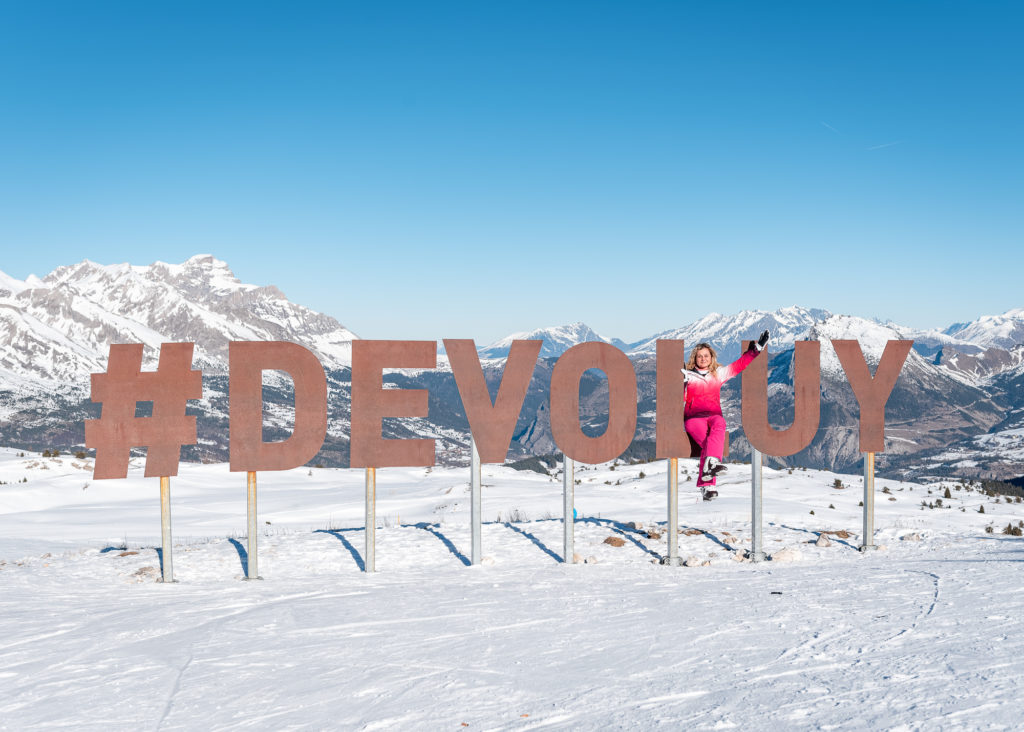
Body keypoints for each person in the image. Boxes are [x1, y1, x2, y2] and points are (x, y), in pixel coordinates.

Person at [682, 330, 770, 500]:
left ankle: (707, 485)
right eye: (699, 356)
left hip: (713, 415)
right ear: (694, 358)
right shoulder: (687, 376)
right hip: (694, 418)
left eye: (706, 356)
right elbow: (681, 396)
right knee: (709, 445)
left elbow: (739, 365)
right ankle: (708, 485)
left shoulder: (718, 373)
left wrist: (757, 348)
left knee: (720, 423)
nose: (703, 359)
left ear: (711, 357)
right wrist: (683, 385)